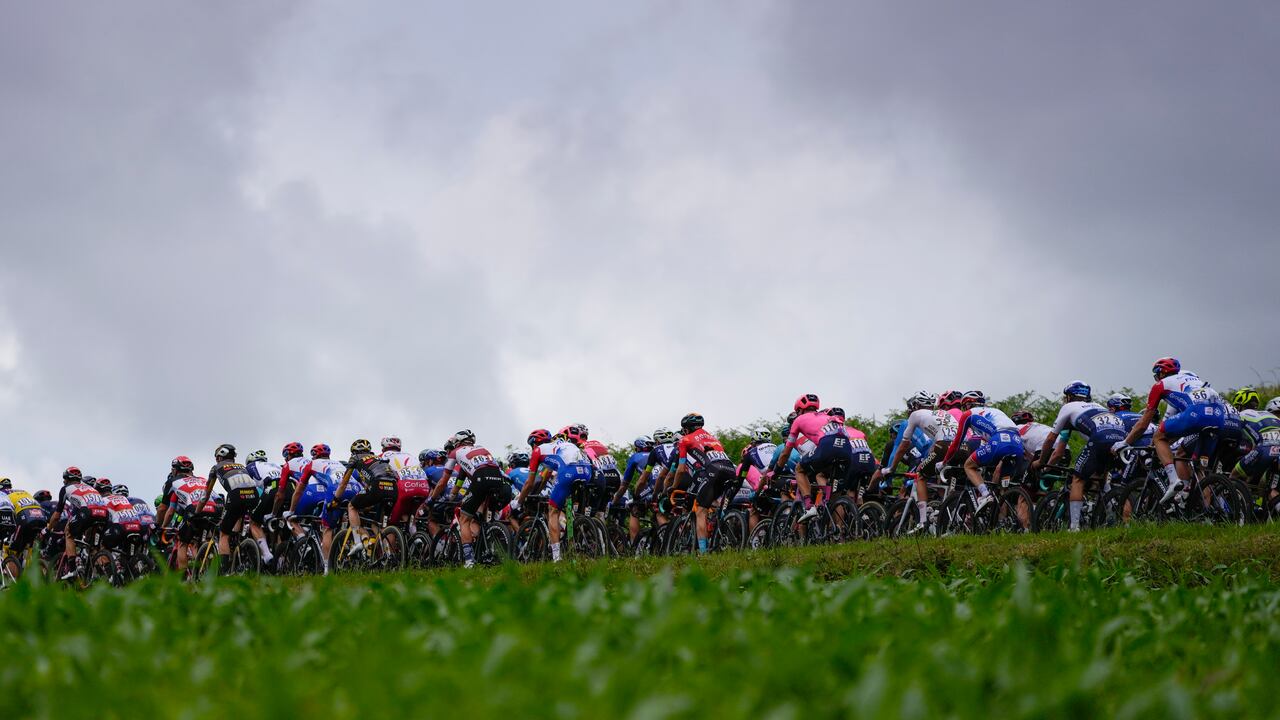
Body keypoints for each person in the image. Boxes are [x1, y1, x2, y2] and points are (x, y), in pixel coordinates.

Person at [1115, 357, 1228, 504]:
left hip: (1196, 413)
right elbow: (1176, 429)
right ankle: (1202, 507)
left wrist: (1125, 442)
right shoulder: (1192, 379)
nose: (1156, 378)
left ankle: (1174, 481)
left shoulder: (1160, 385)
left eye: (1156, 374)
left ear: (1161, 373)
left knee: (1158, 437)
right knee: (1199, 469)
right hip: (1219, 416)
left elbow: (1143, 423)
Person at [1035, 382, 1127, 530]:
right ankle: (1111, 517)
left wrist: (1041, 461)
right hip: (1120, 438)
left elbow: (1051, 439)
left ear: (1069, 396)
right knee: (1102, 477)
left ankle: (1074, 527)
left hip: (1100, 439)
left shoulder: (1068, 407)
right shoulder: (1098, 406)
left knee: (1078, 479)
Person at [512, 426, 593, 562]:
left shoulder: (538, 451)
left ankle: (556, 557)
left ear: (534, 444)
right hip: (587, 471)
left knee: (553, 511)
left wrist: (519, 502)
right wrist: (538, 493)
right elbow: (545, 478)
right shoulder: (559, 445)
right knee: (567, 504)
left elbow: (530, 483)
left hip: (569, 471)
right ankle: (576, 533)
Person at [430, 430, 509, 568]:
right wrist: (452, 495)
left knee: (464, 519)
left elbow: (443, 481)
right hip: (499, 482)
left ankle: (469, 561)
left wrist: (432, 499)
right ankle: (486, 542)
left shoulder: (456, 452)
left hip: (481, 479)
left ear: (457, 442)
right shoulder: (481, 449)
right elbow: (459, 482)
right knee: (479, 517)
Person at [769, 394, 852, 521]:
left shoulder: (798, 420)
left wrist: (776, 472)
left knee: (799, 469)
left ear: (799, 410)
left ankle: (809, 507)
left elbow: (786, 453)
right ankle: (838, 531)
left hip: (828, 445)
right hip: (847, 448)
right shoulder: (827, 416)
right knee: (834, 497)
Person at [883, 391, 959, 527]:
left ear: (916, 405)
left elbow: (903, 446)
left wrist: (891, 468)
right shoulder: (942, 414)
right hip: (962, 447)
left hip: (944, 446)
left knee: (920, 475)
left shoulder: (915, 415)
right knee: (942, 480)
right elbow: (933, 444)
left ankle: (922, 522)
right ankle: (948, 510)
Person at [664, 413, 736, 553]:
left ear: (686, 429)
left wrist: (673, 487)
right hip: (730, 470)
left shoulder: (685, 440)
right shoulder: (712, 438)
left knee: (701, 511)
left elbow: (681, 469)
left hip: (713, 471)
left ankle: (703, 553)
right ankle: (720, 524)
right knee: (714, 504)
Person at [942, 391, 1024, 511]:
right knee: (1001, 491)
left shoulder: (968, 414)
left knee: (969, 466)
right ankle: (1002, 520)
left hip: (999, 441)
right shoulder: (996, 411)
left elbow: (956, 444)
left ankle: (985, 495)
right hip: (1018, 443)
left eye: (964, 406)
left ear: (968, 404)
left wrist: (944, 462)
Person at [201, 444, 266, 572]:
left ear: (220, 457)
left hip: (236, 496)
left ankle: (225, 571)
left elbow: (206, 495)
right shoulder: (241, 466)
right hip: (254, 496)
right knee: (241, 518)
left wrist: (198, 511)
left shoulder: (215, 468)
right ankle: (242, 543)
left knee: (224, 533)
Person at [332, 438, 400, 553]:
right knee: (378, 525)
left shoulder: (355, 458)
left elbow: (343, 483)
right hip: (393, 488)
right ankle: (387, 555)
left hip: (378, 485)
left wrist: (335, 499)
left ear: (354, 452)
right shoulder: (378, 458)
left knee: (352, 506)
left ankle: (357, 541)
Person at [43, 467, 111, 578]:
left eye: (64, 479)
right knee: (93, 546)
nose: (63, 481)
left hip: (88, 512)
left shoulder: (65, 489)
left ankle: (73, 570)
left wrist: (47, 529)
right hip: (104, 514)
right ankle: (107, 575)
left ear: (67, 479)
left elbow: (57, 515)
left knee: (69, 533)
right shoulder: (90, 488)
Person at [157, 463, 217, 576]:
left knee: (183, 542)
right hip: (214, 509)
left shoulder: (175, 485)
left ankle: (185, 577)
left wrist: (162, 527)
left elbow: (169, 511)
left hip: (195, 510)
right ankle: (206, 566)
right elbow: (217, 497)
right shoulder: (201, 480)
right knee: (202, 540)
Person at [1231, 396, 1280, 509]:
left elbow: (1246, 442)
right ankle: (1260, 508)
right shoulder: (1274, 419)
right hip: (1275, 452)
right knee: (1271, 490)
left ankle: (1237, 508)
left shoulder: (1241, 415)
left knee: (1234, 476)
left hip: (1264, 450)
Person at [244, 449, 281, 565]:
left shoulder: (250, 467)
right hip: (288, 488)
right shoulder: (275, 465)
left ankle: (267, 555)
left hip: (271, 488)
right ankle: (281, 560)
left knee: (254, 523)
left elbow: (246, 488)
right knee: (275, 524)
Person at [0, 479, 47, 567]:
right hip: (41, 516)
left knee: (12, 550)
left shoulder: (3, 494)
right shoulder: (23, 491)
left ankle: (11, 571)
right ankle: (30, 566)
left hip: (24, 516)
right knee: (28, 544)